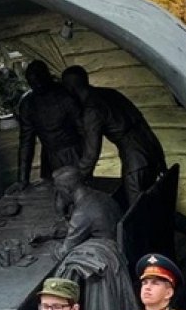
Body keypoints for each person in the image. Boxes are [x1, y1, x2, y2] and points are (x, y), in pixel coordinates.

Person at [48, 165, 135, 310]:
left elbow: (64, 251)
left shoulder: (82, 212)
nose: (58, 196)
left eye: (59, 192)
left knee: (67, 265)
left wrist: (51, 247)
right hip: (116, 256)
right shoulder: (101, 197)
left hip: (103, 269)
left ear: (66, 190)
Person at [61, 65, 167, 206]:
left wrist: (75, 178)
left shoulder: (92, 110)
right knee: (156, 200)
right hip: (150, 145)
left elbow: (91, 154)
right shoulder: (110, 93)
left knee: (138, 208)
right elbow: (140, 121)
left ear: (70, 88)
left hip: (135, 156)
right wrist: (160, 157)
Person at [8, 60, 84, 192]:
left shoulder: (66, 95)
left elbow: (84, 130)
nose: (37, 85)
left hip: (73, 153)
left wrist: (86, 161)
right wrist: (22, 179)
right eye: (33, 83)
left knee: (77, 191)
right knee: (52, 195)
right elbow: (26, 142)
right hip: (49, 156)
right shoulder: (28, 103)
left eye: (39, 80)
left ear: (47, 76)